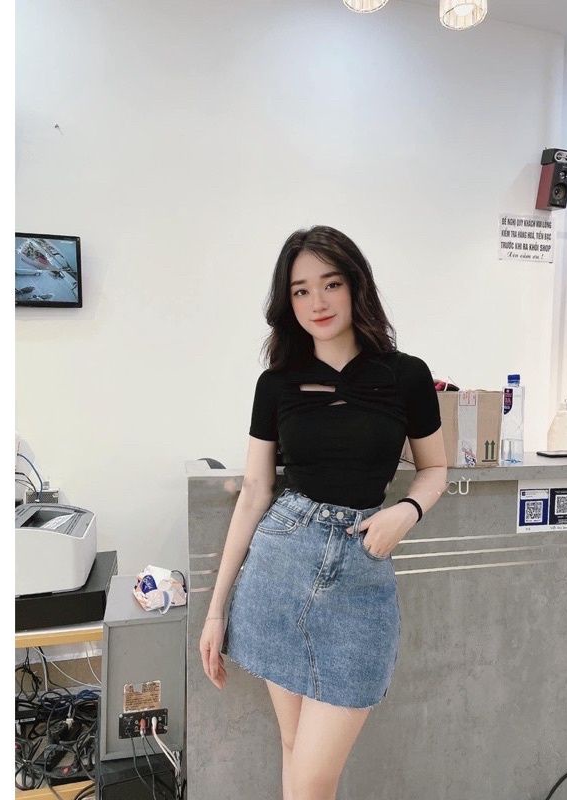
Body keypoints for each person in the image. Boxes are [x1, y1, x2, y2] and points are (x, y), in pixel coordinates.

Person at [199, 225, 448, 800]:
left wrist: (407, 510)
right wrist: (215, 611)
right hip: (281, 565)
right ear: (287, 302)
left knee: (313, 776)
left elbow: (435, 468)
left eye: (331, 284)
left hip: (360, 576)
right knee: (294, 750)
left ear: (356, 286)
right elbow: (256, 492)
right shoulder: (276, 384)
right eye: (301, 290)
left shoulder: (406, 375)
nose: (318, 302)